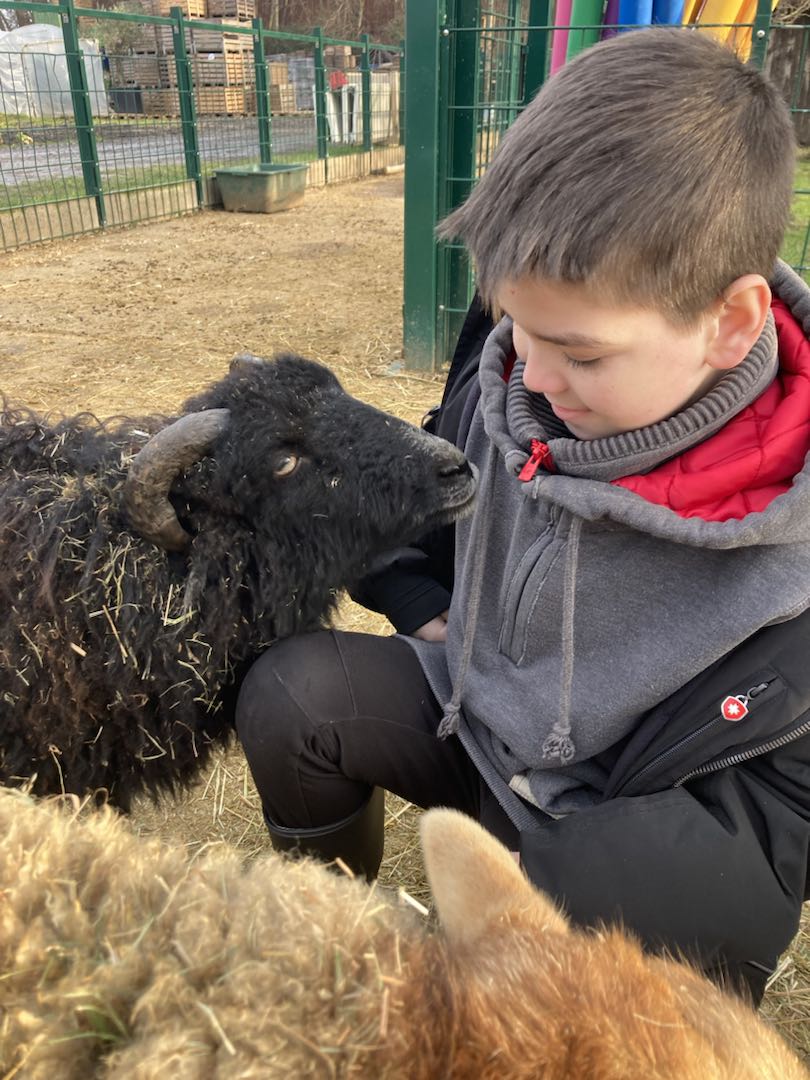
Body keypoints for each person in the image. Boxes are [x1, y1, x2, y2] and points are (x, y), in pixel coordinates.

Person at [235, 27, 810, 1004]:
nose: (531, 378)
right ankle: (333, 938)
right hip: (479, 719)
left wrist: (567, 870)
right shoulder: (522, 357)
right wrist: (418, 598)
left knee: (587, 956)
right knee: (291, 695)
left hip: (627, 809)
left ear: (731, 323)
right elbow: (428, 484)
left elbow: (767, 825)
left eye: (579, 354)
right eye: (513, 323)